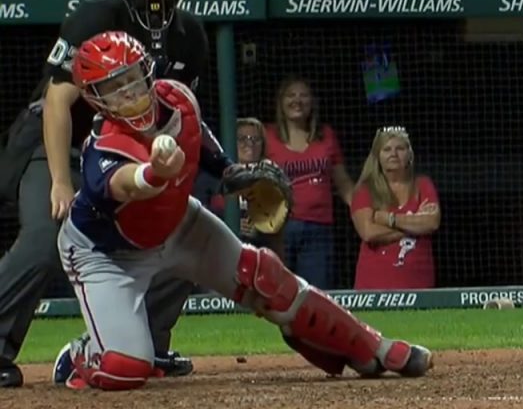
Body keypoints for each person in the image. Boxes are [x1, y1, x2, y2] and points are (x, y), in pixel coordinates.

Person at [49, 31, 432, 390]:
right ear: (95, 98)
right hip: (106, 254)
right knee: (127, 369)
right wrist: (154, 173)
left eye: (131, 77)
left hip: (178, 223)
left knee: (266, 279)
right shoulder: (104, 144)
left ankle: (371, 347)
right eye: (113, 87)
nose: (129, 92)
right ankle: (83, 353)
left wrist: (229, 170)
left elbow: (197, 134)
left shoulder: (177, 98)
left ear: (146, 69)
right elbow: (121, 183)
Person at [0, 0, 201, 388]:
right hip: (59, 144)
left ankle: (144, 346)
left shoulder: (189, 34)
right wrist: (60, 182)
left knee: (179, 232)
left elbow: (178, 115)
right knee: (45, 237)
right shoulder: (96, 15)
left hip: (127, 154)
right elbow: (56, 103)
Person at [264, 77, 354, 290]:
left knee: (315, 295)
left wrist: (368, 210)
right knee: (278, 293)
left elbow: (343, 184)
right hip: (279, 229)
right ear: (281, 102)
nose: (297, 100)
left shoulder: (327, 136)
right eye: (291, 95)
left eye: (303, 95)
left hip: (318, 229)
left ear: (312, 102)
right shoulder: (266, 136)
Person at [351, 126, 440, 290]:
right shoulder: (364, 190)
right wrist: (414, 225)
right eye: (387, 149)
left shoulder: (423, 185)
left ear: (409, 155)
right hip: (374, 284)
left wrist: (388, 219)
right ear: (378, 156)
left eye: (400, 148)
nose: (393, 154)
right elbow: (368, 233)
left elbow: (431, 223)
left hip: (418, 283)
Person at [209, 118, 285, 258]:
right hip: (223, 247)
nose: (249, 143)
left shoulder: (272, 173)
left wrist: (259, 226)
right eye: (242, 139)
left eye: (256, 139)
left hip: (264, 248)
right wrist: (232, 222)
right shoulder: (217, 172)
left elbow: (279, 216)